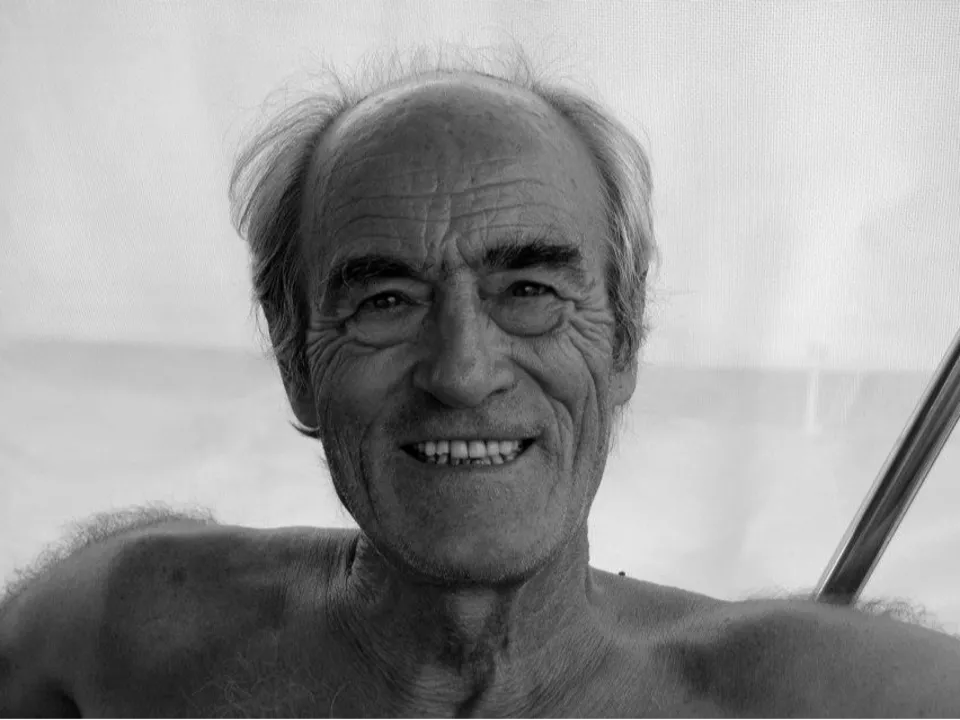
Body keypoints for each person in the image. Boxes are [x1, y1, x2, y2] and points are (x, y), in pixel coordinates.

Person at [2, 46, 958, 720]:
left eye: (530, 291)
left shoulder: (847, 697)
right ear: (295, 360)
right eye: (385, 300)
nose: (463, 371)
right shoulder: (126, 629)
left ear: (623, 343)